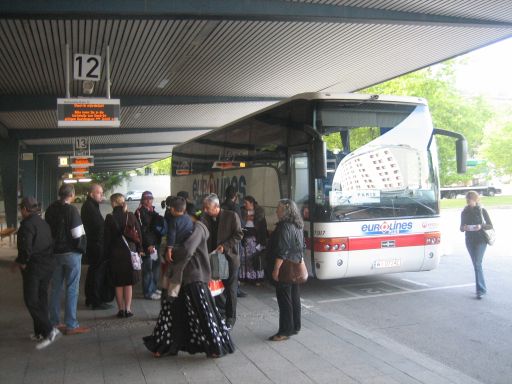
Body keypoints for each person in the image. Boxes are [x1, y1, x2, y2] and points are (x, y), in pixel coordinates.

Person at [143, 212, 234, 358]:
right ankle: (166, 346)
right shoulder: (184, 228)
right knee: (172, 313)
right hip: (180, 277)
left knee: (203, 313)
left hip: (194, 277)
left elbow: (187, 250)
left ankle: (215, 346)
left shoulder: (197, 228)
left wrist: (171, 253)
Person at [12, 196, 61, 349]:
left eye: (21, 209)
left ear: (25, 209)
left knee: (31, 300)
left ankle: (49, 329)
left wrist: (22, 263)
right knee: (41, 298)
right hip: (48, 265)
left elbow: (25, 249)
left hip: (34, 267)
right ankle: (39, 332)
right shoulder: (43, 223)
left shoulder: (26, 226)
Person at [45, 184, 90, 335]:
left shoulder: (51, 209)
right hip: (71, 253)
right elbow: (78, 234)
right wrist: (82, 249)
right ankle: (71, 324)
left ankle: (54, 322)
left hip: (54, 253)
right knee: (72, 288)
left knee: (56, 288)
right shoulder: (72, 210)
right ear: (72, 194)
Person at [201, 193, 243, 330]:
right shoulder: (205, 217)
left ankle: (231, 317)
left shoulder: (231, 216)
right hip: (213, 257)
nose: (205, 210)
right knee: (216, 287)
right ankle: (221, 312)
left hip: (229, 257)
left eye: (208, 207)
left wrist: (224, 246)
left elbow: (239, 234)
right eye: (205, 207)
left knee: (230, 288)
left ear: (217, 206)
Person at [268, 199, 304, 341]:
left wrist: (276, 269)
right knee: (294, 297)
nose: (276, 211)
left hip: (285, 267)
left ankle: (284, 331)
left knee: (284, 300)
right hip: (295, 265)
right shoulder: (298, 225)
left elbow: (283, 250)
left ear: (285, 211)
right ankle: (295, 326)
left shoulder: (284, 226)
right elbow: (302, 246)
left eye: (278, 208)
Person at [104, 193, 142, 317]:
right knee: (128, 283)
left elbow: (106, 238)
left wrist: (106, 254)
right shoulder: (130, 216)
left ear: (113, 203)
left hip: (115, 253)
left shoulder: (110, 217)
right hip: (129, 252)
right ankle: (128, 309)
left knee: (118, 283)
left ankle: (120, 310)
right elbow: (138, 235)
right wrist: (139, 249)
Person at [81, 183, 111, 310]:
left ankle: (91, 298)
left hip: (95, 244)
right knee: (97, 274)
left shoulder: (92, 205)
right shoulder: (89, 207)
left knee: (93, 272)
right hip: (96, 245)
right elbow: (98, 227)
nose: (102, 195)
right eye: (99, 193)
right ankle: (95, 300)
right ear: (92, 194)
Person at [460, 191, 494, 299]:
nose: (470, 202)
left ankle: (481, 290)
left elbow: (490, 225)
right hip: (469, 240)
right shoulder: (464, 212)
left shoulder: (482, 210)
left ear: (476, 199)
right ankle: (480, 289)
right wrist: (463, 228)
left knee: (477, 263)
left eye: (471, 199)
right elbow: (461, 227)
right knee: (476, 265)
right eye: (468, 200)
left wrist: (481, 226)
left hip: (481, 240)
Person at [164, 196, 194, 300]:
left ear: (172, 209)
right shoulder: (189, 219)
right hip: (187, 250)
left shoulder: (174, 221)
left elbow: (171, 237)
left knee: (173, 274)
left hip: (176, 251)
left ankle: (171, 295)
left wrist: (169, 250)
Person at [135, 190, 163, 300]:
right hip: (147, 246)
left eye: (150, 198)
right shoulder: (139, 212)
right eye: (146, 199)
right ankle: (147, 292)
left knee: (155, 267)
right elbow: (142, 231)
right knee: (147, 269)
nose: (149, 200)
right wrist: (149, 245)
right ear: (142, 200)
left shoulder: (152, 211)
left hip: (155, 245)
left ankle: (153, 288)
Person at [239, 195, 268, 284]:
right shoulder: (242, 211)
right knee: (244, 260)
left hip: (255, 239)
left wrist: (263, 242)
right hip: (245, 238)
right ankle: (245, 278)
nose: (244, 204)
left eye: (246, 203)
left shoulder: (259, 212)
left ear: (251, 203)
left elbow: (263, 228)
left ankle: (257, 279)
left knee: (255, 258)